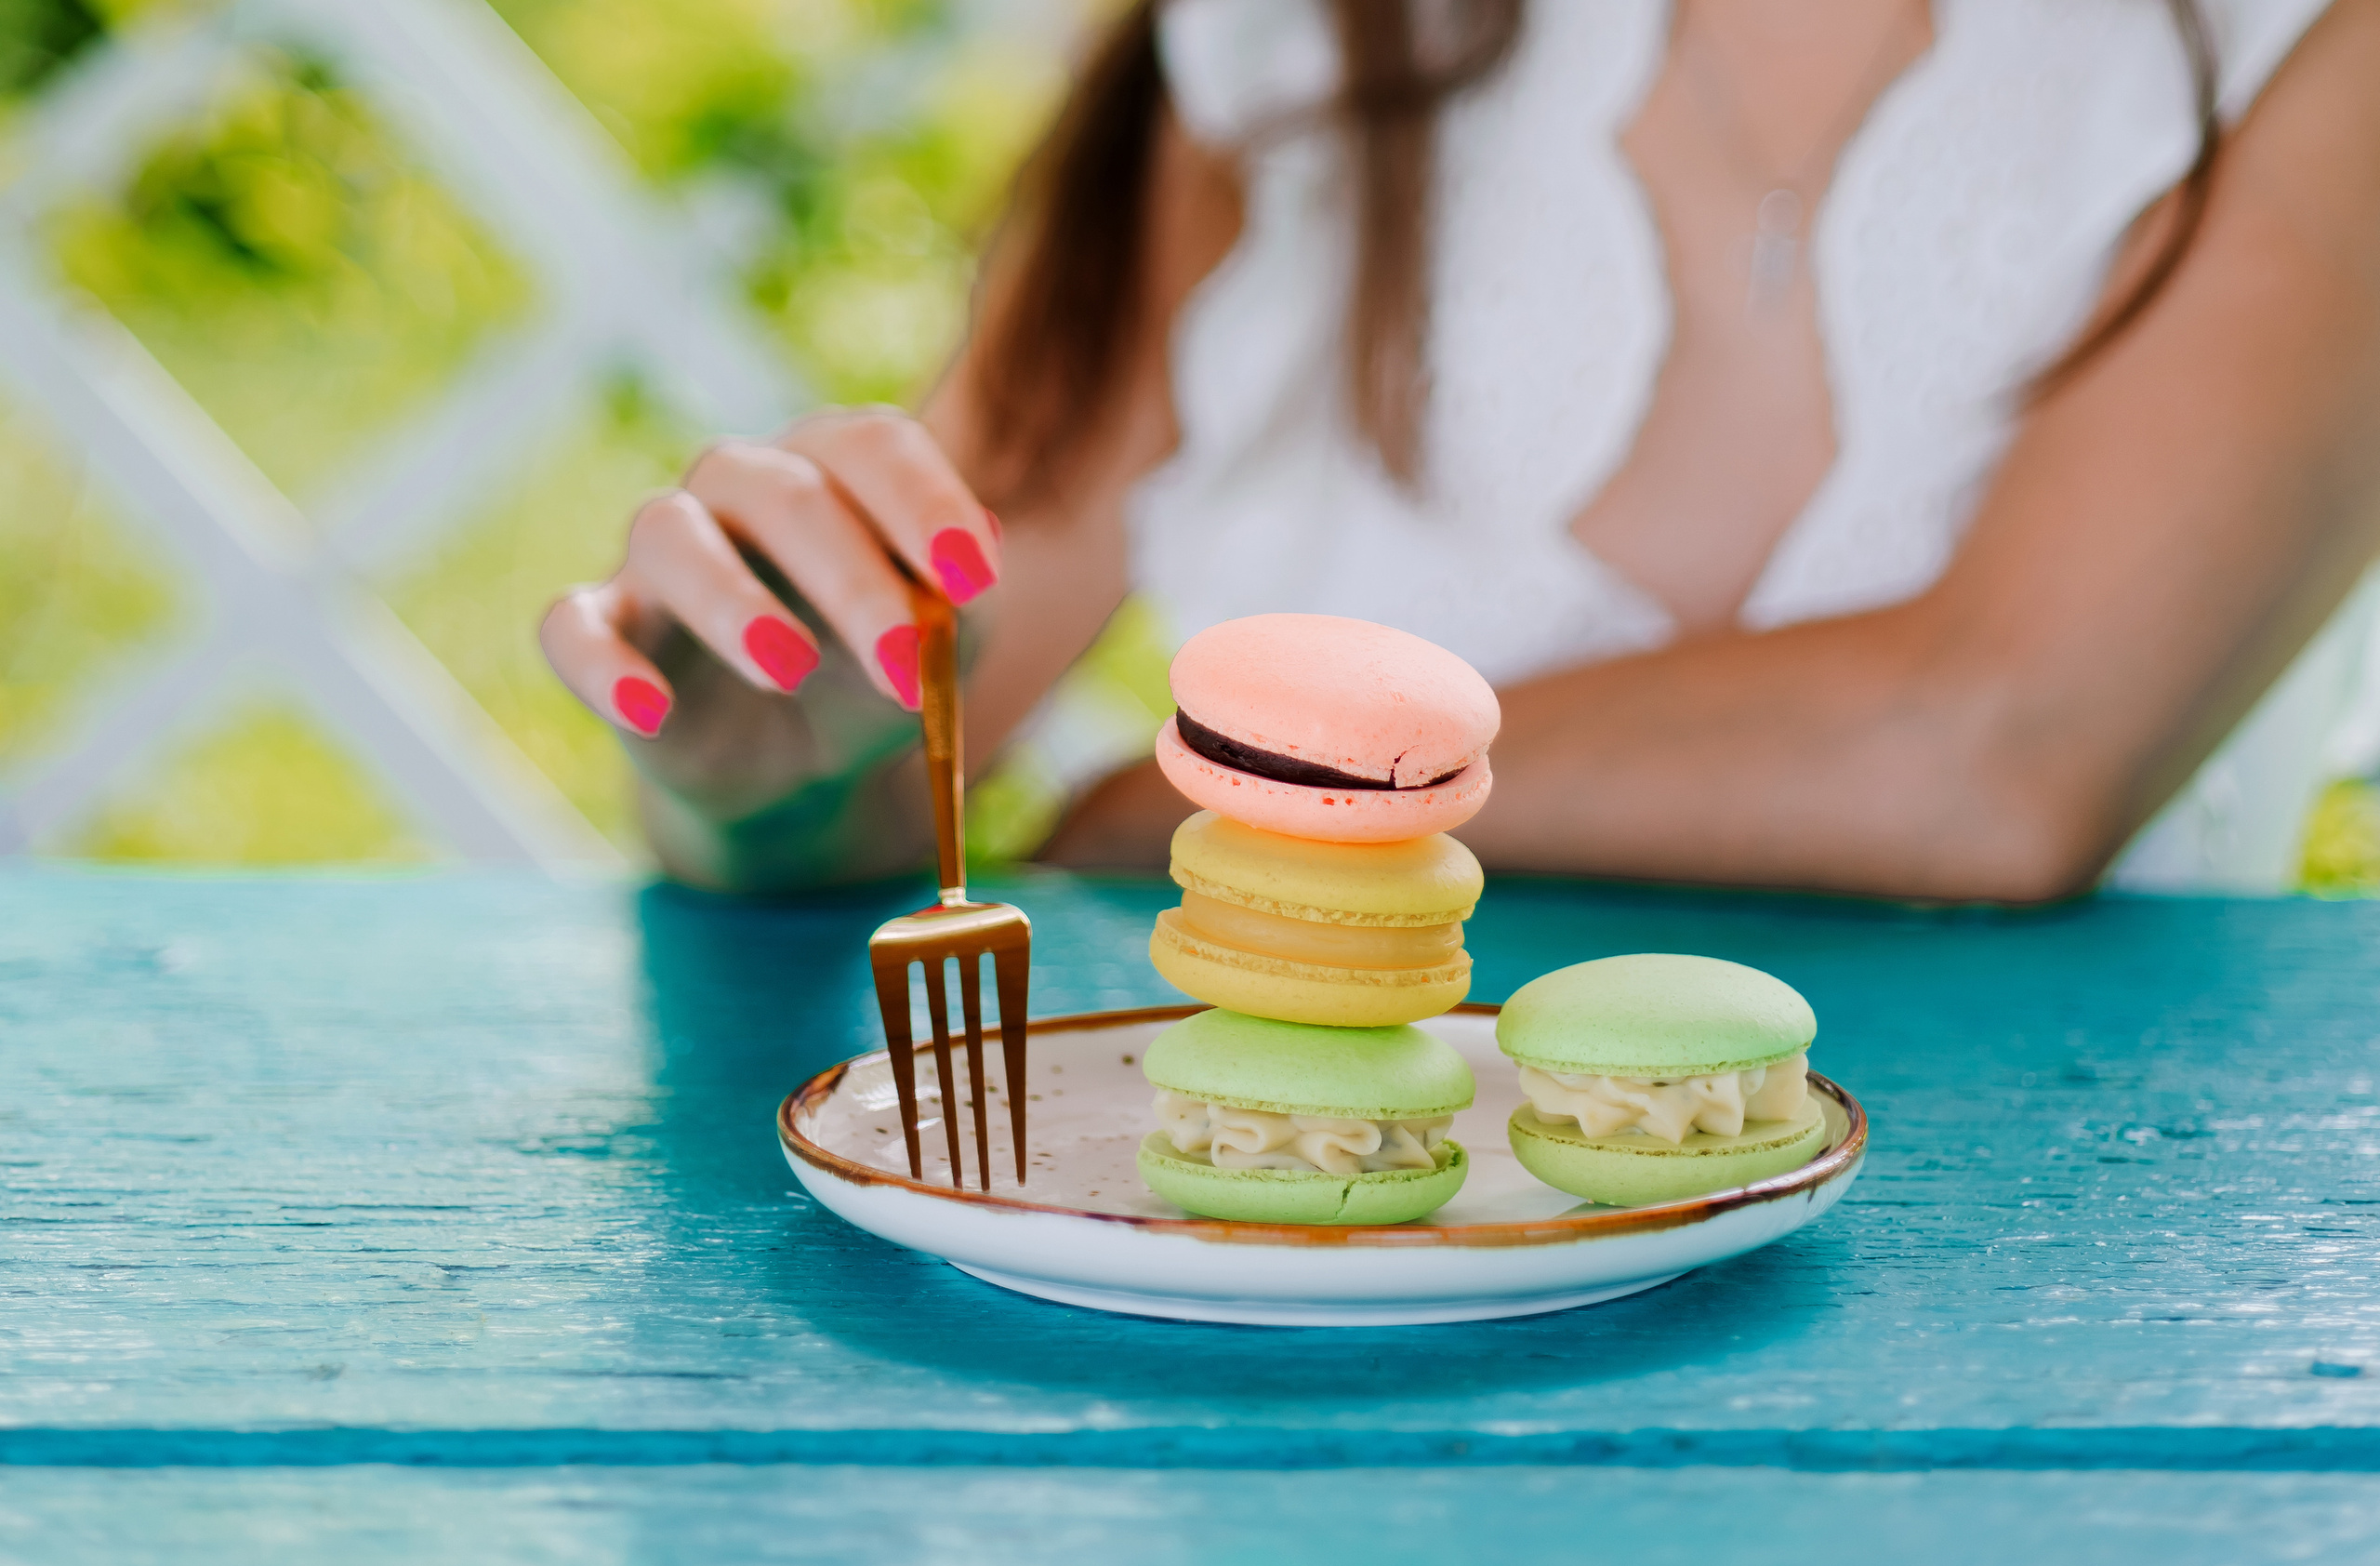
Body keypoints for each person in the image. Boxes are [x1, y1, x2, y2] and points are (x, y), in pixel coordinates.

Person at [540, 0, 2380, 901]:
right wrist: (759, 772)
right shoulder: (1286, 44)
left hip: (2044, 1337)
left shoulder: (2300, 47)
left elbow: (1994, 749)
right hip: (1301, 1314)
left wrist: (1186, 798)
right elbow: (914, 736)